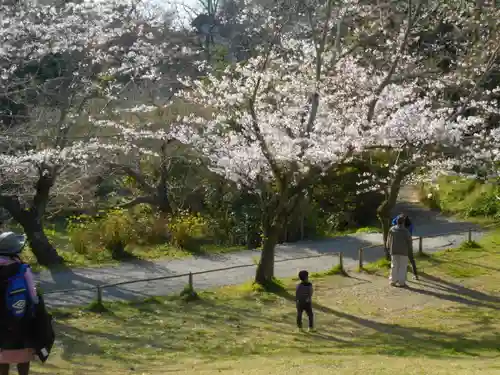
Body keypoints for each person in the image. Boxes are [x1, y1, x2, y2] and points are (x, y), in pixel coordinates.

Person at [0, 232, 39, 375]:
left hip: (1, 323)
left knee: (2, 360)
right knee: (23, 357)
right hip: (21, 319)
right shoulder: (22, 269)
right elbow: (34, 297)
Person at [386, 216, 413, 287]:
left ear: (397, 222)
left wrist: (388, 247)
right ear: (403, 222)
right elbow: (409, 242)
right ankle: (401, 282)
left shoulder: (392, 229)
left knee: (394, 266)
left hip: (394, 250)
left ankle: (393, 281)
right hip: (404, 252)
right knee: (402, 267)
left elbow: (388, 239)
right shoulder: (406, 231)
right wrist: (410, 249)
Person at [391, 214, 418, 280]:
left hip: (399, 245)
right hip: (407, 244)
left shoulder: (398, 228)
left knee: (398, 262)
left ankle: (397, 277)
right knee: (411, 259)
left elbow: (393, 222)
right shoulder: (409, 226)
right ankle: (415, 274)